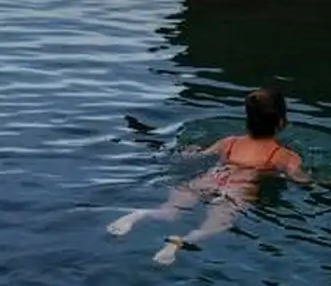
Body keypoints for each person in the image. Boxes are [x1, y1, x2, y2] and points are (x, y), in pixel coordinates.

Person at [107, 87, 312, 265]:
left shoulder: (229, 142)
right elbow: (300, 180)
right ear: (282, 122)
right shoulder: (285, 156)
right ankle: (179, 242)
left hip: (208, 178)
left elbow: (198, 156)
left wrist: (188, 150)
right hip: (236, 189)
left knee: (168, 212)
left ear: (247, 120)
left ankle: (139, 215)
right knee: (215, 225)